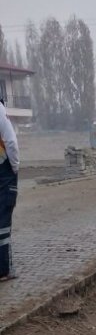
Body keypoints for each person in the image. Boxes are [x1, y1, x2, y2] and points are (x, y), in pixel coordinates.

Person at [0, 98, 19, 282]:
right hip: (4, 173)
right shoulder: (0, 111)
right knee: (3, 222)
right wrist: (15, 166)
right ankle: (3, 269)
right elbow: (11, 143)